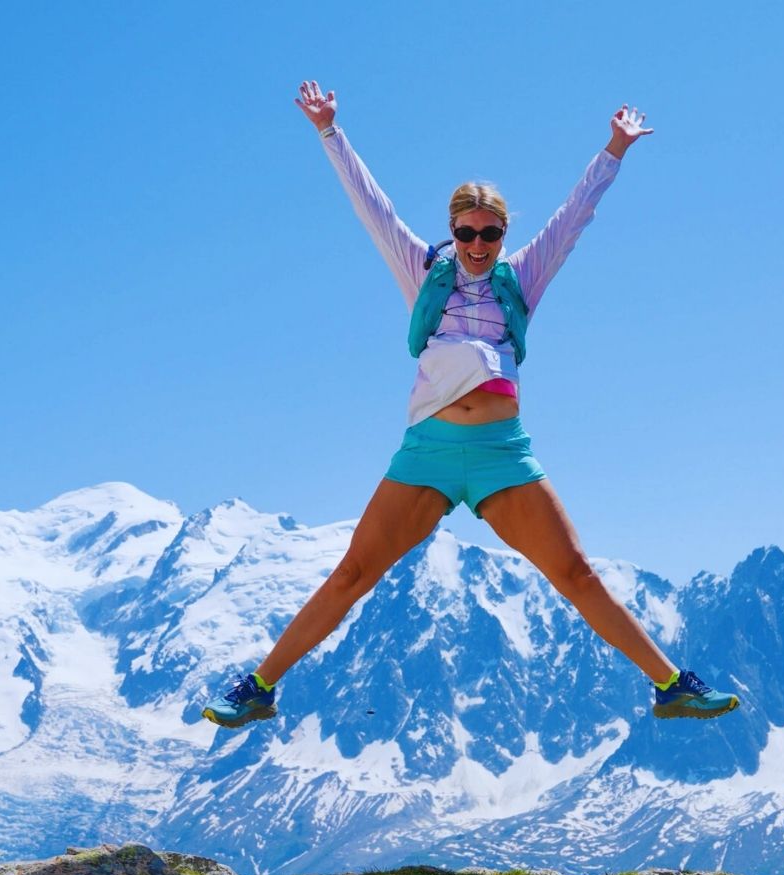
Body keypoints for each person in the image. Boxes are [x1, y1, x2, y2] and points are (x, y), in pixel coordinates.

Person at [199, 80, 741, 728]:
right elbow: (371, 206)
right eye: (466, 233)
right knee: (353, 574)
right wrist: (329, 132)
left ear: (503, 233)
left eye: (490, 233)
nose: (478, 245)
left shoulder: (521, 276)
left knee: (574, 572)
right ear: (451, 230)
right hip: (427, 451)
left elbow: (574, 218)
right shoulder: (423, 268)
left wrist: (615, 148)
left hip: (501, 455)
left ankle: (670, 685)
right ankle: (257, 687)